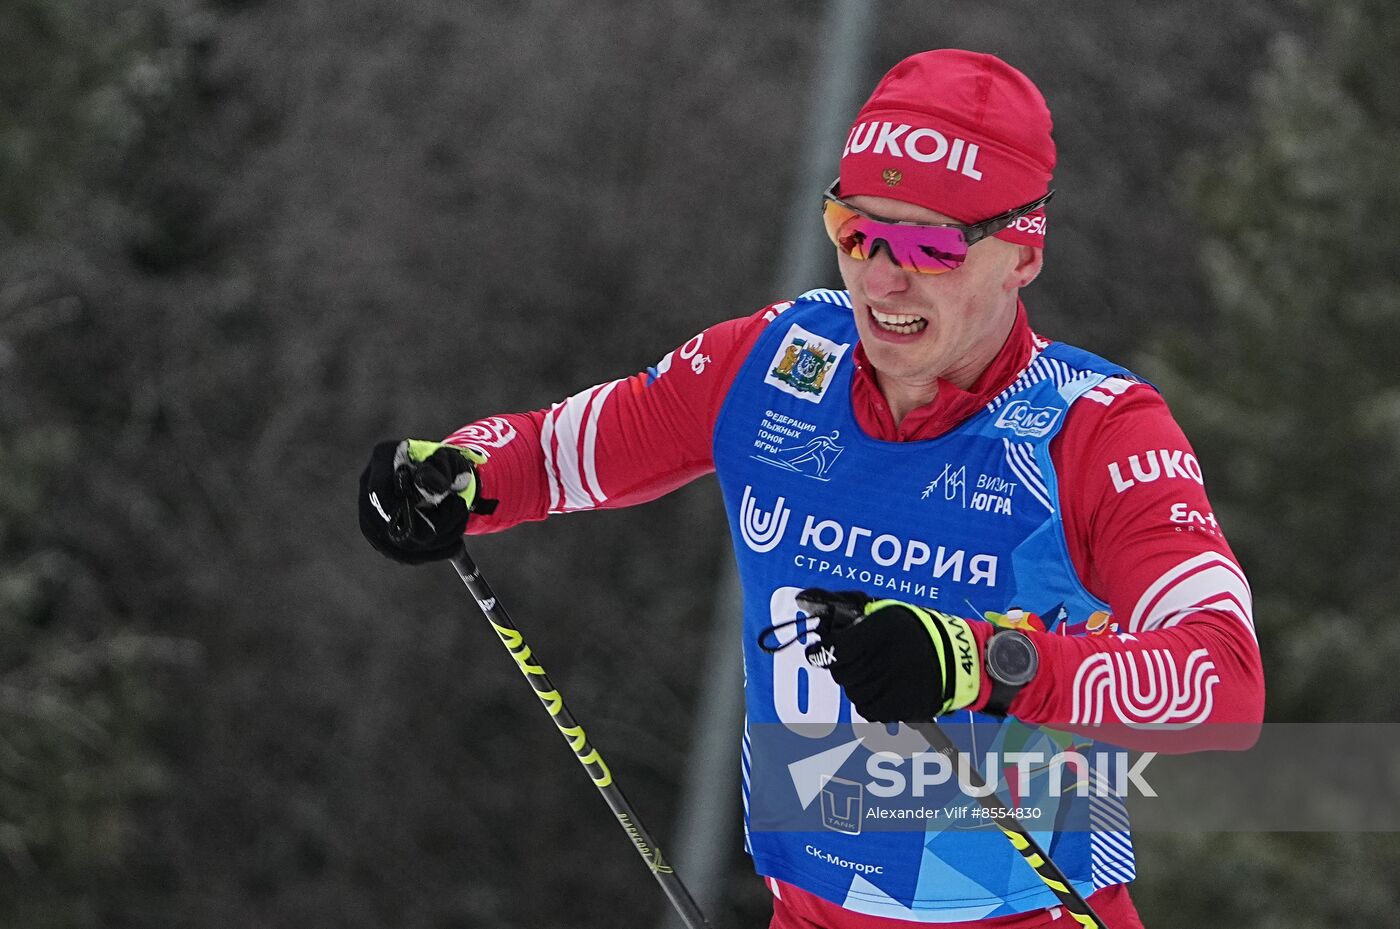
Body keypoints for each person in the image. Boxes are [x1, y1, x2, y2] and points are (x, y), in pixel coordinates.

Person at [360, 49, 1263, 928]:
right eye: (856, 231)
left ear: (1022, 253)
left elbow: (1224, 682)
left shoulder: (1094, 430)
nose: (882, 277)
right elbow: (555, 452)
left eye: (930, 245)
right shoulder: (779, 362)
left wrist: (983, 662)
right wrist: (457, 475)